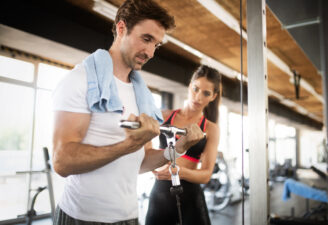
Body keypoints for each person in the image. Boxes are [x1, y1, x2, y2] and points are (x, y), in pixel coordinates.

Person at [51, 0, 204, 224]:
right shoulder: (80, 80)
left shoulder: (142, 96)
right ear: (121, 28)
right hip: (81, 217)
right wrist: (128, 145)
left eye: (157, 45)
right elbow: (61, 162)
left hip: (129, 217)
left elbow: (141, 162)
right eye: (146, 39)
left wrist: (179, 149)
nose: (151, 52)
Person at [145, 65, 222, 225]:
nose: (198, 97)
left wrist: (178, 172)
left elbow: (206, 175)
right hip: (161, 193)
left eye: (206, 93)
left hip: (190, 196)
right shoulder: (164, 116)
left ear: (213, 97)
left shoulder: (210, 129)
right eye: (196, 89)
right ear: (189, 87)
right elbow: (147, 153)